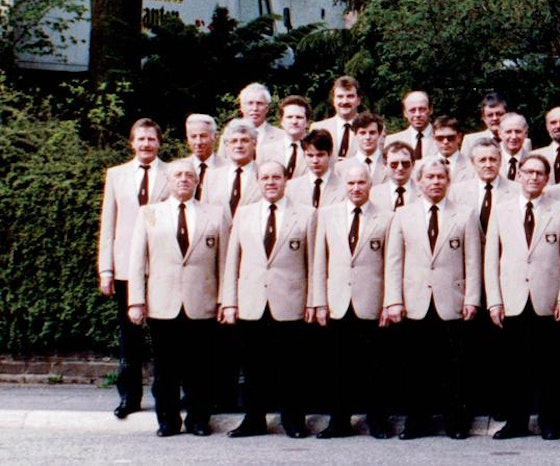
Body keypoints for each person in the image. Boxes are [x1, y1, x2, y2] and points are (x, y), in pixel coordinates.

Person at [125, 158, 229, 437]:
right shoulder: (149, 213)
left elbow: (225, 262)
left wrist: (224, 299)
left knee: (200, 368)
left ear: (197, 181)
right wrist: (136, 300)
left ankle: (198, 420)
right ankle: (168, 421)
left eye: (189, 175)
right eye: (177, 175)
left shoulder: (215, 214)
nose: (183, 179)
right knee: (165, 369)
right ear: (168, 181)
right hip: (162, 303)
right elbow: (137, 260)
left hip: (202, 302)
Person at [383, 157, 483, 440]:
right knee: (416, 368)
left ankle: (455, 423)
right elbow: (393, 261)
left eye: (441, 177)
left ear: (448, 181)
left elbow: (473, 261)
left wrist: (472, 298)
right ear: (419, 181)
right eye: (430, 177)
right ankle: (417, 422)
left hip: (452, 300)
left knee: (453, 367)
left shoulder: (465, 214)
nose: (436, 182)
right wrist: (394, 300)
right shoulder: (403, 215)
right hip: (415, 302)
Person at [483, 154, 560, 439]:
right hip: (512, 299)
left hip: (547, 300)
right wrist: (494, 301)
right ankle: (516, 422)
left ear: (547, 179)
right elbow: (491, 259)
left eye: (539, 173)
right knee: (513, 368)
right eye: (528, 172)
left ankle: (549, 421)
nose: (533, 177)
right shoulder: (502, 210)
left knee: (549, 367)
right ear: (519, 175)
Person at [221, 160, 316, 438]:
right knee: (253, 367)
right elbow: (232, 262)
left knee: (292, 367)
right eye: (265, 178)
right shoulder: (244, 214)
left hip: (290, 301)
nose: (271, 182)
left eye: (276, 177)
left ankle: (294, 420)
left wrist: (312, 301)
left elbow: (314, 263)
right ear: (258, 182)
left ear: (286, 180)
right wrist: (229, 302)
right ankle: (254, 419)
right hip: (252, 301)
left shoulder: (306, 215)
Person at [310, 159, 395, 439]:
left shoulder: (387, 217)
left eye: (361, 182)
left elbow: (391, 263)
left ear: (371, 185)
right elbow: (319, 261)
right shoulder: (327, 215)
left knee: (376, 367)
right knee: (338, 366)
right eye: (351, 183)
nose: (356, 188)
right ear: (343, 186)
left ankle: (377, 421)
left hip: (371, 302)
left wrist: (389, 302)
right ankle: (339, 422)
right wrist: (319, 301)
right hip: (337, 302)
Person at [98, 118, 167, 419]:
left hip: (162, 267)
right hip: (127, 268)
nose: (146, 144)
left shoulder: (172, 173)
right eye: (140, 139)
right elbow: (108, 225)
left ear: (159, 142)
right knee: (130, 337)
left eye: (151, 139)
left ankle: (165, 396)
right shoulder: (117, 175)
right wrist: (106, 270)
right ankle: (129, 397)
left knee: (164, 337)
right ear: (132, 142)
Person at [312, 76, 363, 157]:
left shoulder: (372, 129)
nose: (345, 101)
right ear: (333, 100)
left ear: (359, 100)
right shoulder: (318, 128)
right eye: (340, 96)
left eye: (350, 96)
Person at [386, 90, 435, 159]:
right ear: (405, 113)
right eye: (412, 110)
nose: (417, 114)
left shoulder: (445, 139)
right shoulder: (391, 141)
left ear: (430, 110)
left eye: (422, 109)